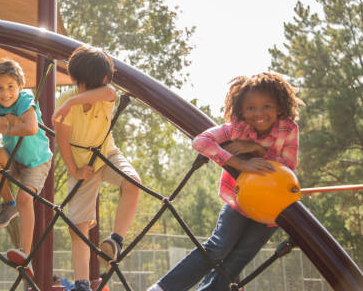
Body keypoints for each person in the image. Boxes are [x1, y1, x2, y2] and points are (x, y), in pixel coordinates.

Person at [147, 72, 304, 291]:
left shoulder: (288, 129)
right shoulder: (237, 128)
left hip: (271, 207)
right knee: (219, 247)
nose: (259, 113)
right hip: (241, 199)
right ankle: (164, 288)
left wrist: (257, 149)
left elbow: (288, 167)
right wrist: (239, 163)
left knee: (239, 258)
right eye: (251, 108)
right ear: (241, 110)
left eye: (266, 106)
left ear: (279, 106)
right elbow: (201, 141)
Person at [53, 46, 141, 291]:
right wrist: (74, 170)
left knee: (133, 182)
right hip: (81, 164)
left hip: (107, 154)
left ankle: (115, 240)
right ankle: (81, 282)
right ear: (76, 80)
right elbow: (62, 141)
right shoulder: (64, 103)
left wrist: (73, 100)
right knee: (77, 225)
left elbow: (110, 92)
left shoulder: (103, 95)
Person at [0, 60, 53, 279]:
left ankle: (26, 253)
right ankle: (8, 203)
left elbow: (31, 128)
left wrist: (6, 126)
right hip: (12, 158)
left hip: (36, 161)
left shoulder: (25, 98)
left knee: (26, 198)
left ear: (20, 86)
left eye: (10, 86)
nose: (5, 93)